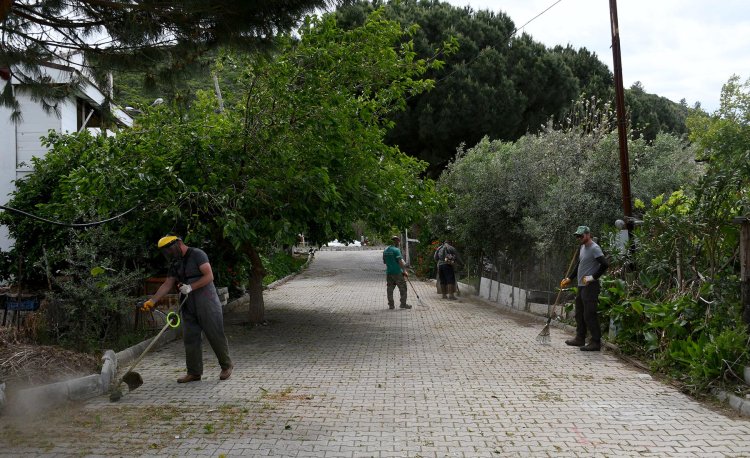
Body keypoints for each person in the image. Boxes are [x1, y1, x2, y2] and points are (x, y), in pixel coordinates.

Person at [140, 235, 234, 382]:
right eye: (166, 252)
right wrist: (152, 301)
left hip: (207, 301)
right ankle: (194, 372)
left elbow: (209, 276)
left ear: (178, 243)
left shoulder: (197, 254)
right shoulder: (175, 262)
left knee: (215, 334)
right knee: (190, 338)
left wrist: (191, 286)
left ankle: (226, 366)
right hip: (188, 303)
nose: (169, 253)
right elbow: (167, 283)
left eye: (170, 249)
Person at [560, 226, 609, 351]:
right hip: (581, 286)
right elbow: (579, 265)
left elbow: (605, 264)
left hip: (590, 286)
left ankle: (595, 342)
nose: (579, 238)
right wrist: (570, 278)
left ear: (588, 235)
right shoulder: (582, 247)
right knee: (579, 313)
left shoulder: (594, 248)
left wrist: (592, 277)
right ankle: (580, 338)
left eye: (581, 236)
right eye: (577, 236)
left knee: (589, 314)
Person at [383, 235, 411, 309]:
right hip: (397, 272)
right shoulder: (396, 250)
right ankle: (403, 304)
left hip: (389, 273)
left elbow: (384, 262)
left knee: (390, 289)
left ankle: (391, 305)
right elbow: (400, 262)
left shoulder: (385, 250)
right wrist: (404, 271)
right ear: (396, 242)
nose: (399, 242)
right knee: (403, 288)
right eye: (398, 241)